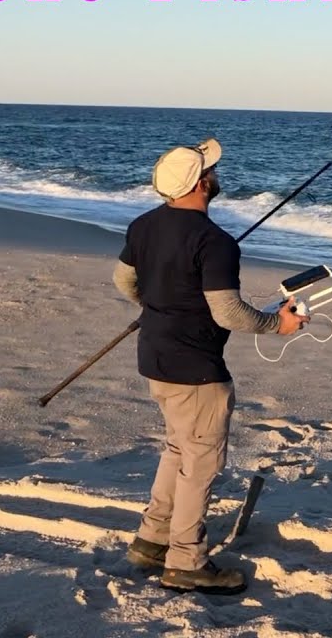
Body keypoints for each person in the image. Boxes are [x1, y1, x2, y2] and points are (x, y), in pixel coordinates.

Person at [111, 138, 308, 595]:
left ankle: (151, 541)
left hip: (155, 358)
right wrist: (277, 325)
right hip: (196, 370)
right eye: (210, 171)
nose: (215, 176)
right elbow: (228, 313)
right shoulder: (214, 242)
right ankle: (185, 561)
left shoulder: (143, 225)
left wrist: (162, 307)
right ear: (202, 183)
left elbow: (124, 280)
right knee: (200, 463)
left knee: (179, 449)